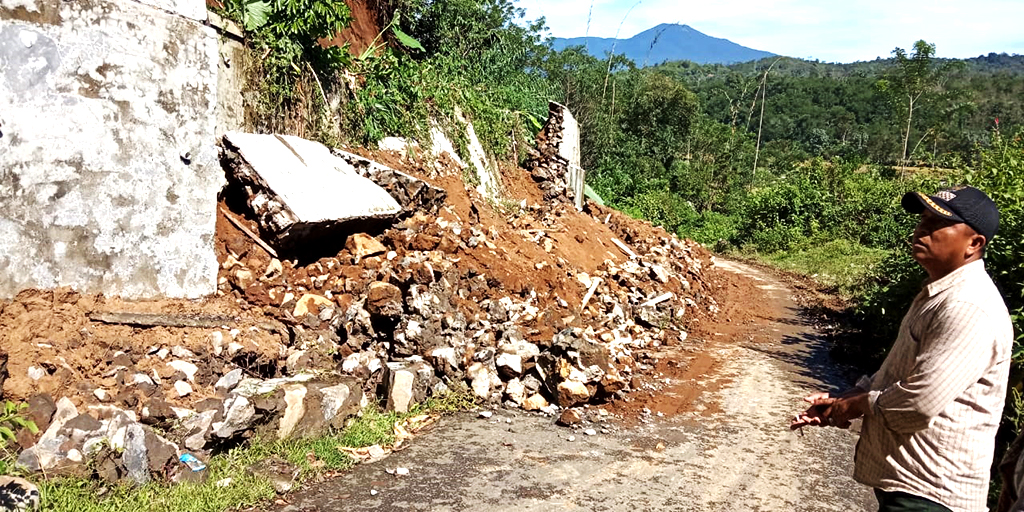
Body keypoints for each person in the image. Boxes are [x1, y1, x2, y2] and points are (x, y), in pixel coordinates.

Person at [792, 186, 1012, 512]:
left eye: (939, 223)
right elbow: (900, 374)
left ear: (974, 244)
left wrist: (855, 407)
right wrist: (846, 398)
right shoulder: (940, 294)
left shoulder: (968, 306)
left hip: (931, 496)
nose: (922, 229)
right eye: (924, 219)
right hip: (912, 490)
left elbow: (919, 402)